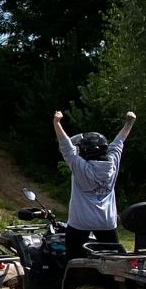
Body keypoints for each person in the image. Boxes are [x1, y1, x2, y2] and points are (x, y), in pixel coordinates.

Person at [53, 109, 136, 260]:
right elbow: (118, 142)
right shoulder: (112, 164)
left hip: (80, 223)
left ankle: (73, 282)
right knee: (115, 260)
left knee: (73, 259)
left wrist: (57, 122)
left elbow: (65, 145)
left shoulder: (80, 167)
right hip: (106, 222)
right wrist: (129, 123)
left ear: (85, 151)